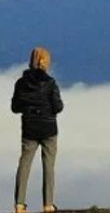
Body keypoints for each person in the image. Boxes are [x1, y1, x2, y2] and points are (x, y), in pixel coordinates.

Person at [11, 47, 64, 213]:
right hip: (48, 128)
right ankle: (48, 205)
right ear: (46, 62)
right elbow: (58, 106)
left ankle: (20, 204)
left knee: (24, 164)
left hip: (29, 128)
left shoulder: (21, 83)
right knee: (48, 166)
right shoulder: (50, 83)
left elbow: (15, 107)